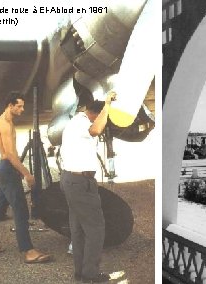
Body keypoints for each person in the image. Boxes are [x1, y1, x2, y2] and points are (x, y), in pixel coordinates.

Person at [0, 92, 52, 263]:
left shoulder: (2, 121)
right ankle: (28, 251)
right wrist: (26, 173)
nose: (22, 109)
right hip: (7, 168)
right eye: (19, 106)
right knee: (21, 210)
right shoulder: (5, 124)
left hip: (4, 169)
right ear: (10, 105)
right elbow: (10, 155)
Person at [60, 90, 116, 283]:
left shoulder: (75, 122)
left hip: (72, 180)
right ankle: (90, 274)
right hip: (80, 183)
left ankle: (81, 273)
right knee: (96, 229)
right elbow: (96, 130)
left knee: (78, 230)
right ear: (96, 113)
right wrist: (107, 105)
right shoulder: (84, 123)